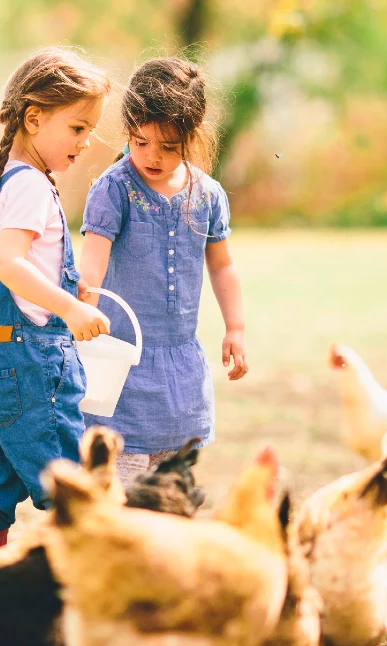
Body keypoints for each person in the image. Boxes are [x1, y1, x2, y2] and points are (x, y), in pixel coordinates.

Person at [0, 47, 111, 571]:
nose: (85, 141)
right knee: (73, 487)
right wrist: (68, 308)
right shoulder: (29, 187)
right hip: (29, 368)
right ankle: (83, 597)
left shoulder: (4, 181)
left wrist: (63, 290)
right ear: (34, 118)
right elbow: (9, 266)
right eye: (77, 127)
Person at [79, 57, 249, 484]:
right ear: (128, 131)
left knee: (173, 493)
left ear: (192, 137)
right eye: (140, 142)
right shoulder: (114, 189)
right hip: (121, 368)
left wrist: (236, 327)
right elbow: (92, 266)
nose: (152, 156)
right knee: (122, 491)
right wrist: (81, 310)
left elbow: (223, 266)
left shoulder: (207, 194)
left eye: (169, 146)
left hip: (181, 375)